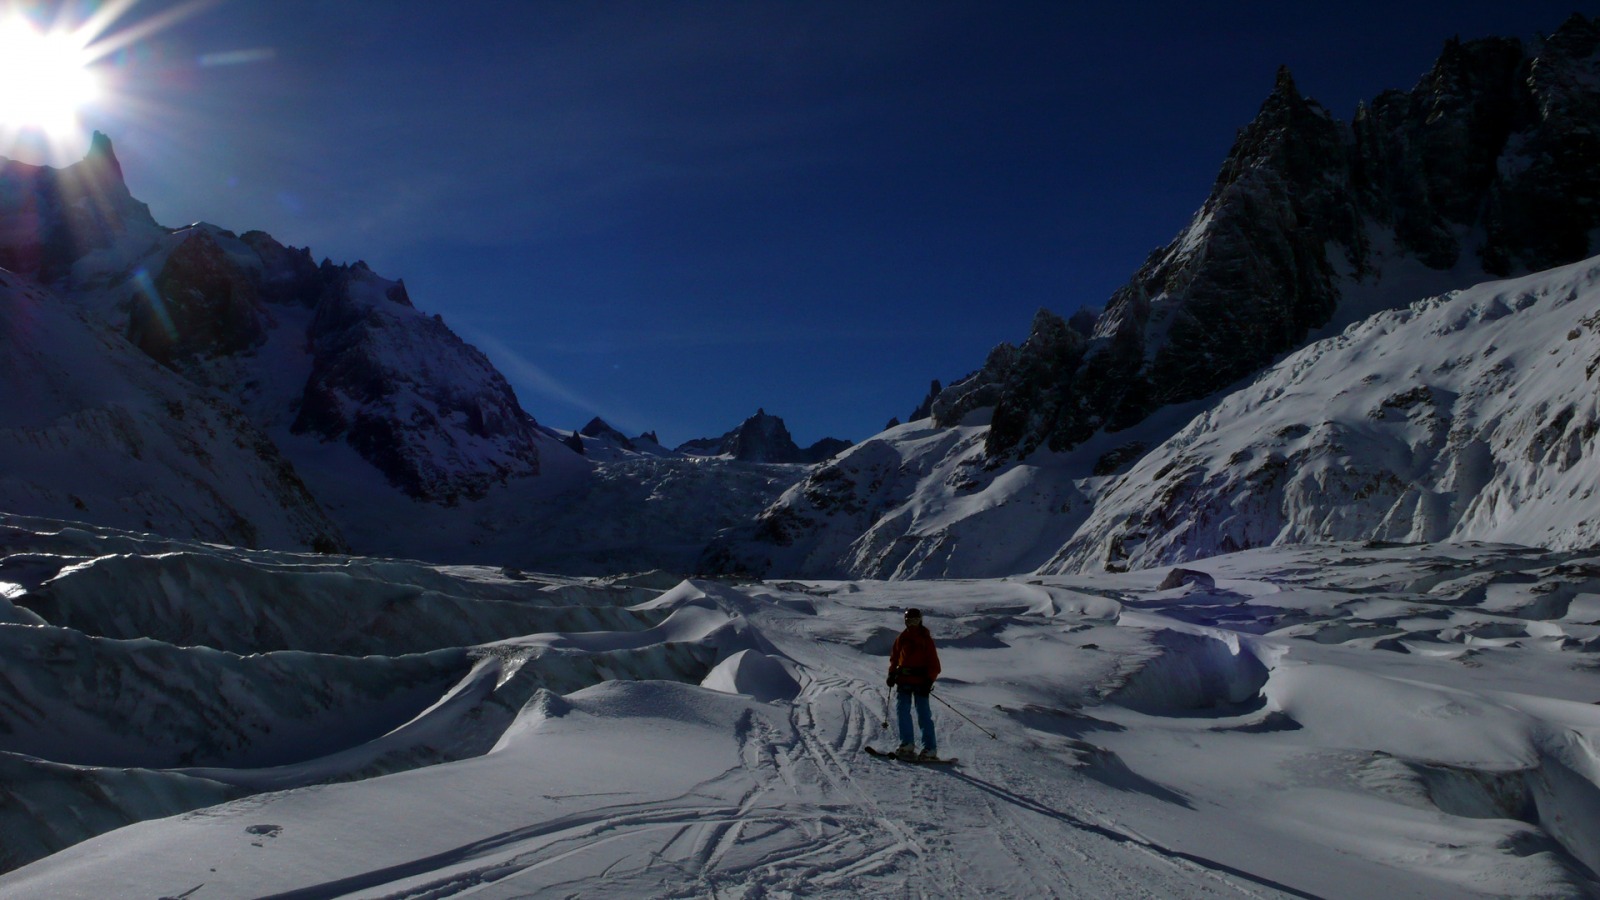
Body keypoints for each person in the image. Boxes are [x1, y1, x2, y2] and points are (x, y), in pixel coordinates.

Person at [887, 607, 941, 760]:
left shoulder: (926, 640)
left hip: (921, 682)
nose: (913, 624)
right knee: (902, 712)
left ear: (920, 620)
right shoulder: (902, 638)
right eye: (910, 621)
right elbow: (895, 658)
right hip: (904, 681)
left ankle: (930, 748)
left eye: (915, 621)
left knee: (923, 714)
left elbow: (935, 665)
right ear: (905, 622)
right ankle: (907, 744)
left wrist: (929, 681)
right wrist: (891, 673)